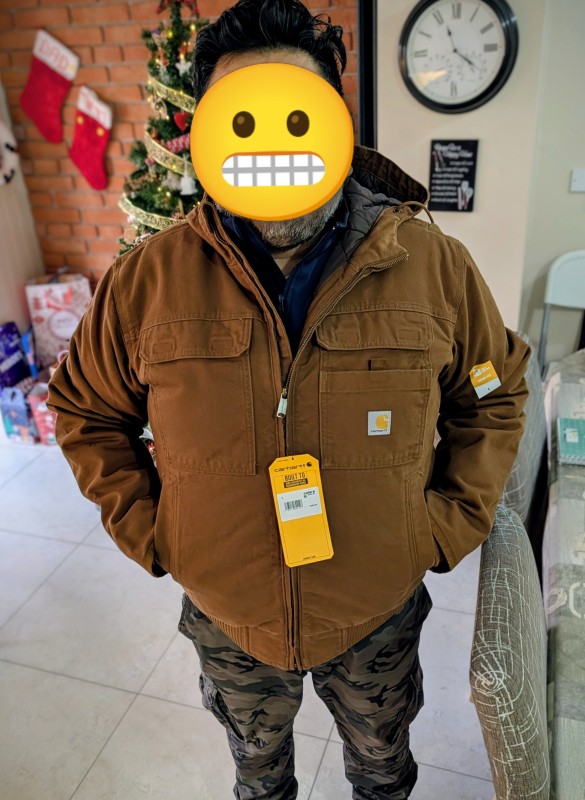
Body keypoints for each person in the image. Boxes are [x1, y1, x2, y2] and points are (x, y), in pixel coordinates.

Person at [47, 1, 530, 797]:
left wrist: (441, 526)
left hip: (374, 612)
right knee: (258, 776)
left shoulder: (430, 264)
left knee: (382, 771)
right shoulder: (147, 280)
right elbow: (86, 409)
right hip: (230, 617)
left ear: (333, 122)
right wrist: (153, 532)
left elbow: (493, 392)